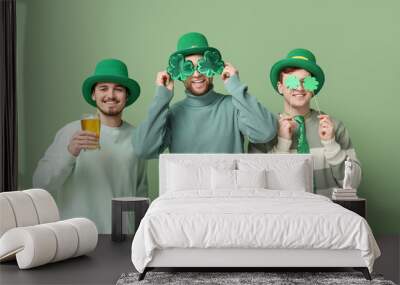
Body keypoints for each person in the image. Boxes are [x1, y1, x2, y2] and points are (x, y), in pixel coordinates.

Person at [33, 59, 148, 233]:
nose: (111, 95)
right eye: (103, 88)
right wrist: (70, 153)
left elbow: (141, 193)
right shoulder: (71, 132)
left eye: (118, 89)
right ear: (94, 95)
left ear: (127, 96)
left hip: (122, 238)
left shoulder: (137, 137)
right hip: (76, 237)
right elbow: (41, 184)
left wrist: (140, 236)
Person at [133, 32, 276, 157]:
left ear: (213, 67)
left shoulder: (233, 107)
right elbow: (143, 150)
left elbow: (266, 132)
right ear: (179, 74)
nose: (196, 74)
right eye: (188, 68)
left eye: (202, 65)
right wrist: (161, 97)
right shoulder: (173, 114)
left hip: (229, 188)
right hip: (187, 188)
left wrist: (235, 86)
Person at [249, 48, 361, 196]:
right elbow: (256, 188)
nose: (299, 88)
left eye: (306, 82)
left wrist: (331, 144)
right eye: (292, 81)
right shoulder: (264, 129)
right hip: (282, 214)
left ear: (313, 88)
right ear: (280, 87)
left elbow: (353, 184)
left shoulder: (335, 127)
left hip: (328, 214)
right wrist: (282, 144)